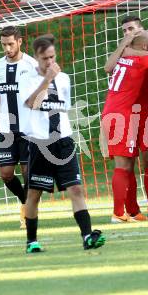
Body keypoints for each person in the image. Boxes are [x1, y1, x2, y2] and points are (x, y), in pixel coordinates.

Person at [20, 34, 105, 253]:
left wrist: (53, 80)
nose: (50, 62)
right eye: (45, 58)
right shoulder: (27, 78)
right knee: (34, 194)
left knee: (76, 188)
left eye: (52, 57)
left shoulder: (64, 79)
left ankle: (87, 236)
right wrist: (46, 80)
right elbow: (31, 103)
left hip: (64, 141)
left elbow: (63, 108)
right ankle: (31, 241)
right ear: (36, 58)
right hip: (40, 142)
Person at [104, 15, 148, 220]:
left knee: (147, 160)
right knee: (126, 164)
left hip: (144, 113)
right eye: (124, 31)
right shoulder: (126, 53)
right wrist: (125, 45)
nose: (127, 33)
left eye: (131, 29)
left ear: (140, 30)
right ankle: (124, 211)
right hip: (124, 113)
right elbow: (107, 67)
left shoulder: (142, 52)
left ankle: (147, 208)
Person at [0, 26, 37, 229]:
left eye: (10, 44)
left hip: (28, 129)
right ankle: (25, 202)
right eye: (3, 45)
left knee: (28, 173)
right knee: (6, 173)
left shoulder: (32, 65)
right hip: (5, 129)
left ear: (20, 41)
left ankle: (28, 213)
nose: (7, 48)